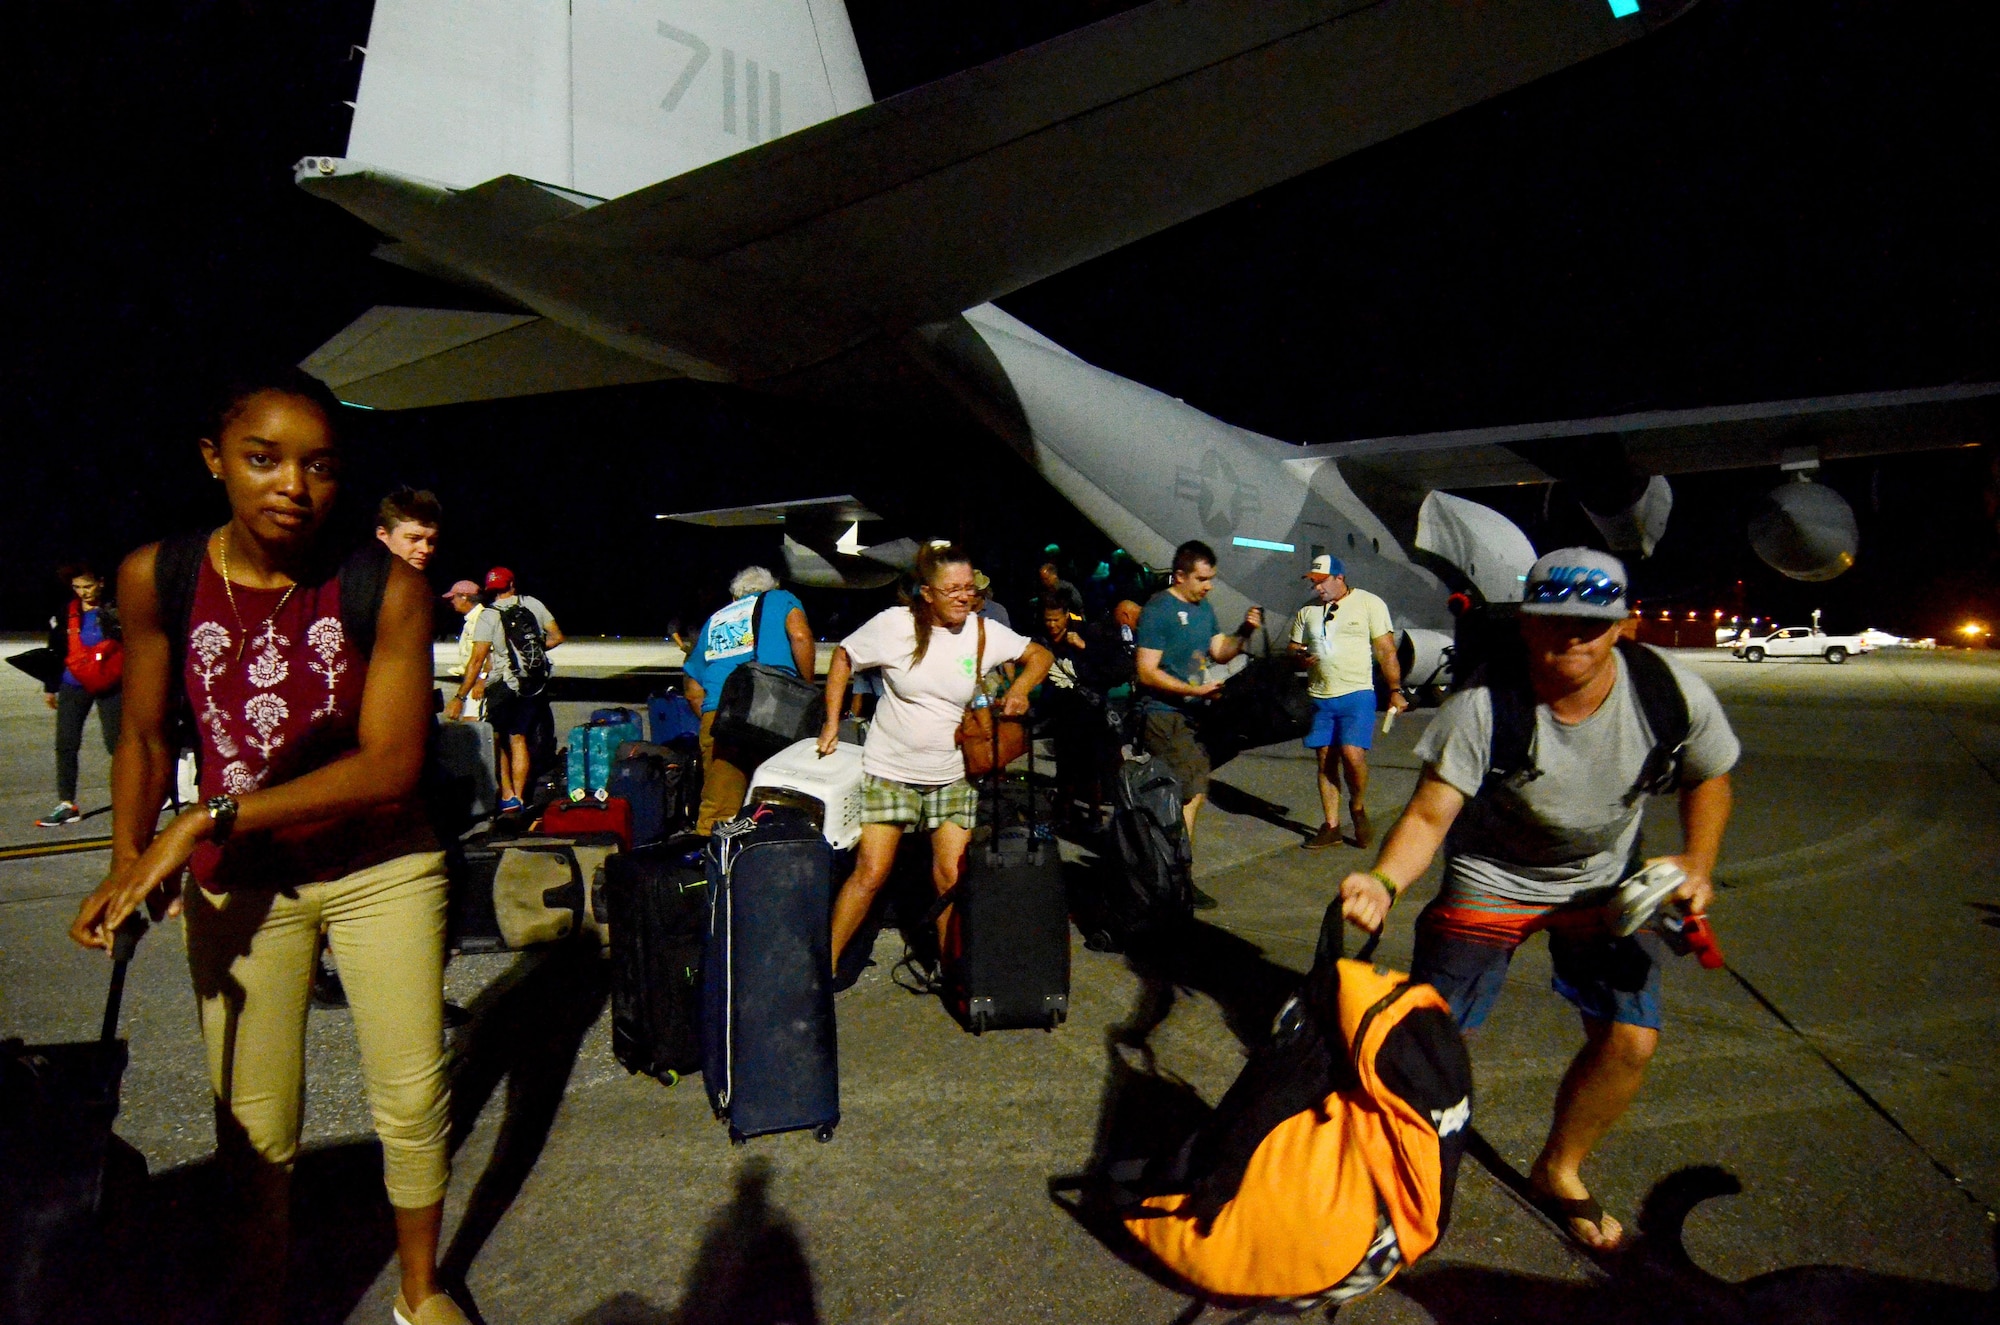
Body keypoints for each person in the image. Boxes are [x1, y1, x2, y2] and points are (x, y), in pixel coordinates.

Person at [67, 368, 467, 1325]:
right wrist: (129, 860)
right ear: (215, 462)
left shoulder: (387, 587)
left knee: (411, 1098)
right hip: (247, 881)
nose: (293, 484)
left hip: (381, 867)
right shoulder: (156, 575)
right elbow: (146, 735)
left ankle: (421, 1292)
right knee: (253, 1116)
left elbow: (390, 766)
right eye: (263, 459)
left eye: (319, 466)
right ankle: (261, 1299)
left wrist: (205, 818)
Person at [1336, 548, 1738, 1253]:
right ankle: (1399, 1167)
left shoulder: (1671, 694)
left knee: (1630, 1039)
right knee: (1430, 1039)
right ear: (1527, 625)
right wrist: (1385, 880)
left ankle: (1559, 1169)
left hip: (1605, 882)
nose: (1572, 637)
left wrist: (1699, 862)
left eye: (1592, 623)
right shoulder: (1483, 707)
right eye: (1555, 621)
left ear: (1624, 627)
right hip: (1493, 877)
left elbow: (1710, 775)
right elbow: (1431, 814)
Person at [818, 543, 1053, 971]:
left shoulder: (983, 631)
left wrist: (1018, 689)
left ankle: (953, 971)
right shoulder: (894, 625)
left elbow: (1040, 654)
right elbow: (844, 656)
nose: (964, 597)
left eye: (970, 589)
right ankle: (824, 967)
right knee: (871, 873)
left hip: (953, 772)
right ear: (927, 593)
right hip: (890, 770)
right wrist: (831, 722)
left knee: (950, 876)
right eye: (953, 590)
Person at [1134, 540, 1262, 906]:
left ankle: (1168, 867)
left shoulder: (1204, 610)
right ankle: (1178, 876)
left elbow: (1220, 650)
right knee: (1193, 784)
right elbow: (1146, 672)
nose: (1209, 586)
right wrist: (1195, 688)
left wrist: (1246, 631)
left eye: (1212, 579)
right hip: (1161, 714)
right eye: (1203, 579)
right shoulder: (1159, 610)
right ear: (1180, 576)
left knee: (1185, 788)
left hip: (1192, 712)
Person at [681, 565, 816, 834]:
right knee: (776, 802)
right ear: (771, 588)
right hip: (775, 708)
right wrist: (807, 688)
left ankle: (712, 865)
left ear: (735, 598)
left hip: (721, 713)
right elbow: (800, 635)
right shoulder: (780, 599)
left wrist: (714, 715)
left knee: (719, 810)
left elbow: (692, 689)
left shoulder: (716, 619)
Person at [1289, 554, 1407, 850]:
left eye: (1321, 582)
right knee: (1326, 760)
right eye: (1313, 583)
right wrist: (1300, 655)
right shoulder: (1308, 612)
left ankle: (1357, 805)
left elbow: (1386, 650)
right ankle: (1331, 826)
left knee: (1352, 755)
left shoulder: (1370, 603)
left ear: (1339, 578)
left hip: (1357, 693)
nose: (1317, 588)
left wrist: (1395, 689)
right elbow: (1293, 646)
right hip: (1320, 695)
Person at [451, 567, 562, 813]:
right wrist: (530, 651)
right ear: (512, 584)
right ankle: (521, 798)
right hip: (534, 684)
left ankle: (508, 794)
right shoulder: (532, 603)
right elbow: (557, 636)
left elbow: (477, 659)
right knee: (519, 738)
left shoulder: (489, 615)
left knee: (497, 738)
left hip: (503, 684)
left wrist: (460, 696)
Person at [35, 564, 124, 827]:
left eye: (88, 586)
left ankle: (129, 798)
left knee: (116, 745)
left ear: (102, 582)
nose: (83, 592)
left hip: (111, 684)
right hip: (73, 684)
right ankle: (66, 803)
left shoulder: (117, 609)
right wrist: (50, 686)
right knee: (66, 743)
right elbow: (56, 648)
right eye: (77, 587)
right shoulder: (68, 612)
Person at [441, 580, 487, 721]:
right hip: (473, 682)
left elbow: (488, 656)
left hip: (479, 685)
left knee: (474, 727)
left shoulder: (482, 620)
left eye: (453, 598)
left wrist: (482, 681)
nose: (451, 602)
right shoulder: (473, 620)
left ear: (464, 597)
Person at [374, 486, 441, 573]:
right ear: (383, 535)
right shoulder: (358, 581)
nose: (426, 550)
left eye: (431, 541)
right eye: (414, 538)